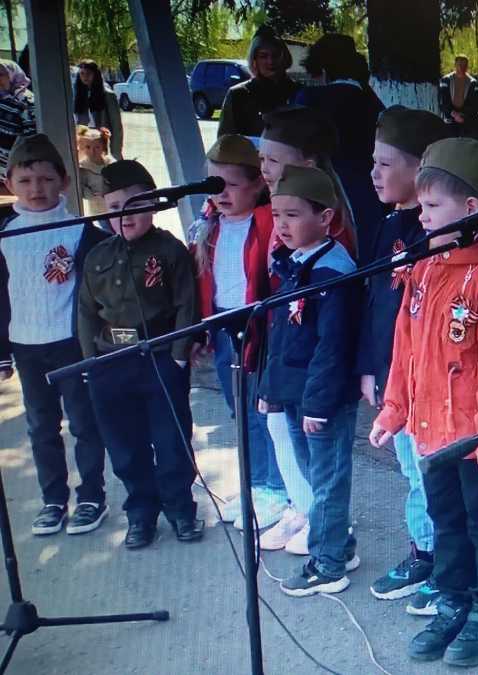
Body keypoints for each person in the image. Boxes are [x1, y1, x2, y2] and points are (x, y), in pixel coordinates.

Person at [369, 138, 478, 667]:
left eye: (432, 207)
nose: (421, 215)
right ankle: (453, 598)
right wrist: (394, 410)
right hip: (430, 430)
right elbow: (405, 345)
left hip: (473, 435)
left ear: (470, 209)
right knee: (446, 519)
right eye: (422, 205)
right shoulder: (425, 266)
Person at [78, 159, 202, 549]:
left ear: (152, 205)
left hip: (159, 356)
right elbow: (85, 312)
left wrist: (179, 356)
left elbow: (186, 304)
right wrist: (90, 362)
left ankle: (181, 509)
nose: (123, 216)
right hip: (110, 361)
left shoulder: (169, 250)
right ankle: (140, 514)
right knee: (125, 444)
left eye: (133, 204)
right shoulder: (98, 255)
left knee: (170, 441)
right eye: (113, 208)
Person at [255, 165, 360, 596]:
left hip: (323, 400)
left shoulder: (332, 273)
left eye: (293, 215)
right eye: (277, 215)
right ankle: (339, 545)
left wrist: (318, 405)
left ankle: (329, 563)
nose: (281, 225)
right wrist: (270, 391)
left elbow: (332, 348)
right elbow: (280, 337)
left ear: (327, 219)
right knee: (315, 477)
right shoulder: (294, 264)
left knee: (328, 481)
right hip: (295, 392)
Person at [0, 134, 108, 537]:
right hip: (26, 344)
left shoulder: (81, 231)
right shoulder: (6, 232)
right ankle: (52, 500)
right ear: (9, 183)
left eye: (46, 180)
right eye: (25, 182)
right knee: (41, 426)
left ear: (64, 181)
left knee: (83, 423)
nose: (36, 190)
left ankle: (92, 496)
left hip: (70, 344)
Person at [362, 106, 447, 611]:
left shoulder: (440, 232)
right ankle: (424, 551)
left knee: (429, 472)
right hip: (393, 378)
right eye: (373, 162)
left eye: (385, 163)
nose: (373, 173)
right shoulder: (387, 226)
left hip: (430, 379)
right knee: (410, 470)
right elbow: (375, 303)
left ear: (421, 170)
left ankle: (441, 557)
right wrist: (371, 369)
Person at [187, 134, 292, 534]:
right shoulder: (208, 226)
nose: (221, 193)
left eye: (230, 184)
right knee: (239, 410)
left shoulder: (265, 222)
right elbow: (201, 280)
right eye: (214, 184)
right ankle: (255, 483)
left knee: (261, 413)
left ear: (258, 184)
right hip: (222, 325)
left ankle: (274, 488)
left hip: (255, 328)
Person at [295, 33, 387, 265]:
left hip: (327, 196)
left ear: (323, 70)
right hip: (374, 194)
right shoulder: (374, 103)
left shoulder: (310, 100)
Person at [258, 106, 357, 259]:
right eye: (262, 159)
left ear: (308, 166)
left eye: (273, 160)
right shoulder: (269, 209)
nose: (264, 169)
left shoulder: (325, 226)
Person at [217, 25, 299, 140]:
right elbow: (224, 143)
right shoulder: (238, 95)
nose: (270, 61)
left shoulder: (299, 91)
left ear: (284, 57)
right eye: (263, 56)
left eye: (275, 55)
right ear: (254, 60)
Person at [73, 60, 122, 161]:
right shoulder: (79, 94)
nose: (85, 77)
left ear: (95, 74)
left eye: (88, 73)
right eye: (82, 73)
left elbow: (117, 127)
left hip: (103, 142)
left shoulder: (108, 95)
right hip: (87, 142)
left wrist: (116, 151)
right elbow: (80, 123)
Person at [0, 60, 35, 183]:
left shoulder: (26, 101)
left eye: (1, 75)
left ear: (12, 75)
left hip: (13, 170)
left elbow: (31, 137)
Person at [439, 55, 478, 142]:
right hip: (450, 119)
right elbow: (443, 100)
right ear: (455, 65)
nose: (461, 67)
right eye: (459, 64)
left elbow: (476, 103)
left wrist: (463, 115)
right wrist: (453, 114)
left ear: (467, 66)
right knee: (451, 145)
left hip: (466, 119)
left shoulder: (473, 82)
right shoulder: (446, 80)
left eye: (464, 65)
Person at [76, 125, 113, 216]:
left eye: (97, 147)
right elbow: (80, 186)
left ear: (103, 147)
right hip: (97, 207)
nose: (92, 151)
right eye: (88, 147)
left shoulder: (111, 163)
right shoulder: (83, 166)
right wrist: (91, 196)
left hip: (114, 204)